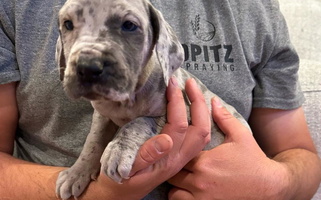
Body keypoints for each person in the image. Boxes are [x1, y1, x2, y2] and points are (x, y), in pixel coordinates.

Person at [0, 0, 320, 199]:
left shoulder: (256, 9)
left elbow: (299, 153)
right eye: (69, 25)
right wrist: (94, 191)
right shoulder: (13, 6)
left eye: (128, 26)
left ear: (160, 45)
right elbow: (105, 113)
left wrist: (275, 185)